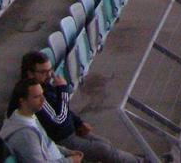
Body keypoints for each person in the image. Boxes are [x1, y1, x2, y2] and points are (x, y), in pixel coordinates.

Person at [12, 51, 140, 163]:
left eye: (50, 70)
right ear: (30, 73)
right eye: (43, 72)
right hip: (62, 138)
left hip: (69, 130)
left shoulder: (42, 84)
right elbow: (59, 119)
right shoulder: (34, 93)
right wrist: (62, 90)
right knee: (103, 150)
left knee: (105, 143)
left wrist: (78, 122)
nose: (50, 75)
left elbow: (62, 109)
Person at [0, 78, 83, 163]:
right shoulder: (26, 135)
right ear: (23, 101)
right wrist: (70, 160)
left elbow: (47, 143)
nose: (43, 99)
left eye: (42, 94)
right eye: (36, 97)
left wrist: (67, 152)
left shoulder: (29, 116)